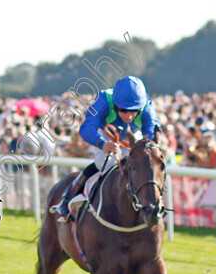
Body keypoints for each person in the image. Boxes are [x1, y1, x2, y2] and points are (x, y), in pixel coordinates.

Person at [52, 75, 161, 221]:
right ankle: (67, 199)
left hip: (131, 134)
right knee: (106, 163)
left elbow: (151, 133)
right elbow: (86, 128)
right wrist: (102, 144)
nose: (129, 115)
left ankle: (153, 205)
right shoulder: (103, 100)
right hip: (106, 133)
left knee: (144, 164)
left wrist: (147, 147)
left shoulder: (146, 105)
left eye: (134, 111)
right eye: (123, 110)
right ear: (115, 105)